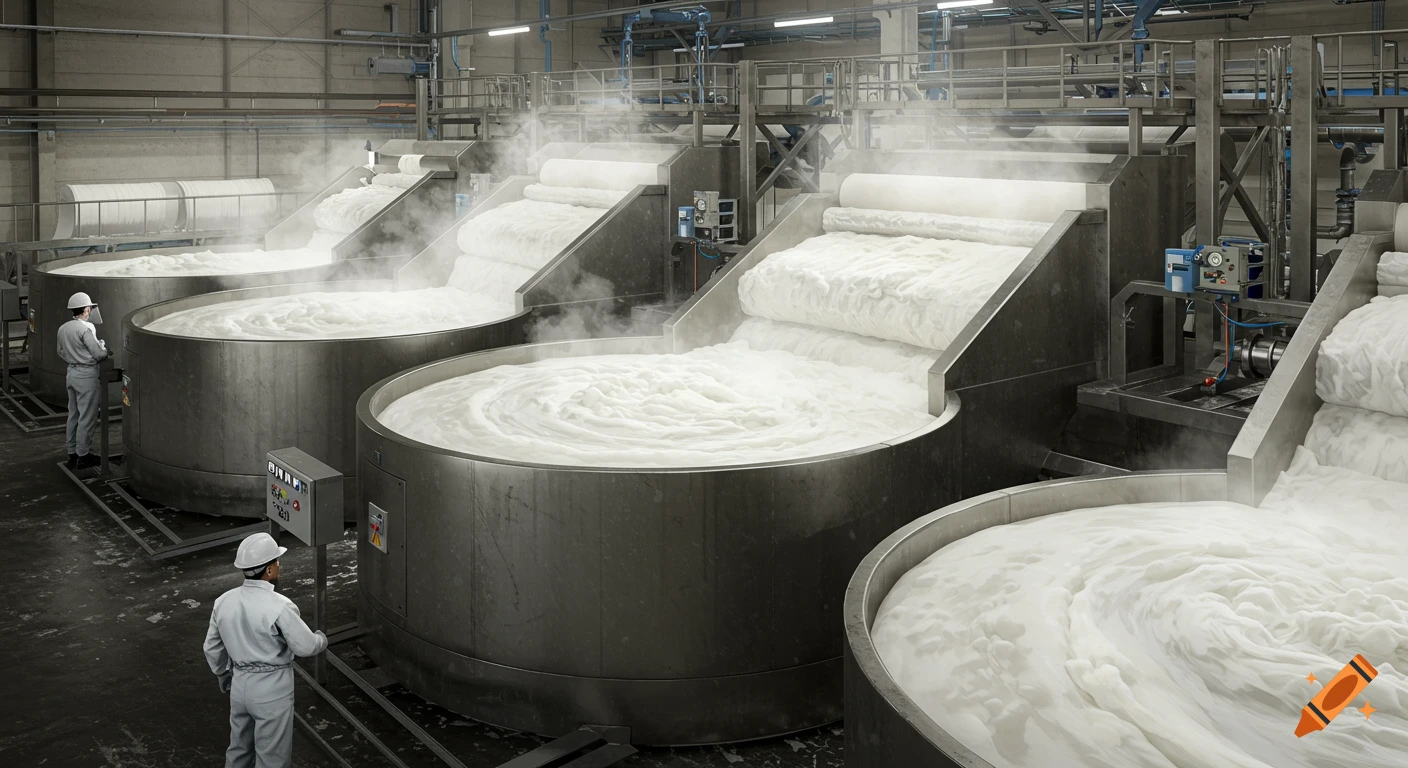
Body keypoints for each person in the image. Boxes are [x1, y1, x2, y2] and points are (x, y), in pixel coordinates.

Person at [204, 533, 327, 768]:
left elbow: (211, 647)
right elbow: (306, 646)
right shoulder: (279, 606)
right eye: (277, 562)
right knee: (272, 758)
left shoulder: (223, 601)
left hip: (239, 685)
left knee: (239, 750)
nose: (279, 566)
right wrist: (321, 639)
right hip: (272, 690)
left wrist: (222, 674)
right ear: (269, 570)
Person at [56, 292, 109, 468]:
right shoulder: (86, 329)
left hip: (71, 373)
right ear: (86, 309)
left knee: (73, 414)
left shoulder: (63, 328)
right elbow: (98, 355)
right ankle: (83, 455)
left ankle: (72, 453)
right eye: (90, 308)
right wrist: (104, 350)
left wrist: (75, 358)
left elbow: (60, 352)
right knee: (87, 416)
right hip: (87, 376)